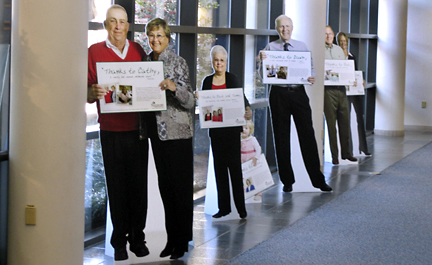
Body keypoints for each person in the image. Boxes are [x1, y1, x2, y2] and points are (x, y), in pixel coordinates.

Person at [87, 4, 149, 261]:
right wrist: (93, 93)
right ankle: (119, 243)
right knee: (117, 187)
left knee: (138, 187)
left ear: (127, 25)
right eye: (112, 21)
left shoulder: (138, 50)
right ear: (106, 25)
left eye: (122, 22)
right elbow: (88, 94)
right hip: (111, 129)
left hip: (137, 130)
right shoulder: (94, 52)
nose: (117, 26)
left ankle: (137, 238)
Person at [259, 15, 332, 192]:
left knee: (307, 135)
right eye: (281, 27)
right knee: (281, 137)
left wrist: (311, 76)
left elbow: (311, 68)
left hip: (299, 93)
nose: (285, 30)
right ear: (277, 29)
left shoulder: (301, 46)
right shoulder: (270, 48)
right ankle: (287, 181)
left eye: (288, 26)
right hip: (278, 94)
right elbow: (263, 76)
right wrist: (261, 62)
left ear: (292, 27)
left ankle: (318, 180)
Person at [143, 18, 195, 260]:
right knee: (166, 188)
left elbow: (190, 101)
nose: (155, 40)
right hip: (156, 132)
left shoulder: (178, 61)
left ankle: (182, 240)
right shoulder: (144, 63)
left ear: (168, 38)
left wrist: (174, 87)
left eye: (159, 36)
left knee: (180, 189)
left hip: (178, 133)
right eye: (151, 35)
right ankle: (171, 238)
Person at [199, 45, 252, 219]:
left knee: (235, 169)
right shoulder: (207, 81)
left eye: (222, 60)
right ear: (212, 62)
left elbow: (242, 99)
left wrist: (248, 110)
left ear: (226, 61)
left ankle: (241, 208)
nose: (219, 63)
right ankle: (224, 208)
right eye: (216, 60)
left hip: (231, 131)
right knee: (219, 169)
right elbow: (204, 105)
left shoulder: (233, 78)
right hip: (215, 132)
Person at [324, 26, 358, 165]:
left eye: (330, 33)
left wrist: (352, 78)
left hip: (342, 89)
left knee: (345, 121)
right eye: (325, 34)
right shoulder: (320, 50)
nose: (328, 36)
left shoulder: (339, 49)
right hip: (328, 90)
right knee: (331, 124)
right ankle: (335, 156)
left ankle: (347, 153)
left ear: (333, 35)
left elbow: (346, 67)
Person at [336, 32, 371, 156]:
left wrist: (361, 80)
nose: (343, 43)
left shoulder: (352, 56)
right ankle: (349, 150)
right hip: (343, 91)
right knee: (346, 119)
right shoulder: (336, 57)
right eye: (341, 41)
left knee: (359, 117)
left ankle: (363, 148)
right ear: (337, 42)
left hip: (354, 91)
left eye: (345, 41)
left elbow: (355, 72)